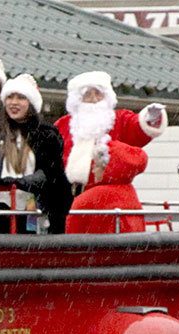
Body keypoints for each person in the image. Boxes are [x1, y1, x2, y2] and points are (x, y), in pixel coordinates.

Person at [53, 70, 168, 233]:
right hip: (69, 198)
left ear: (106, 97)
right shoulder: (62, 126)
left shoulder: (119, 120)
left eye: (98, 94)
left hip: (107, 205)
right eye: (87, 94)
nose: (93, 99)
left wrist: (151, 117)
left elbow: (139, 127)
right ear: (77, 99)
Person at [0, 74, 72, 233]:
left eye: (21, 98)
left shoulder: (46, 134)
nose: (14, 103)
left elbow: (50, 172)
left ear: (30, 102)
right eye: (10, 97)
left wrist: (19, 182)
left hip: (34, 211)